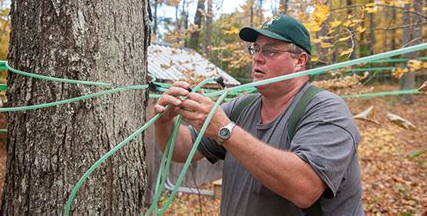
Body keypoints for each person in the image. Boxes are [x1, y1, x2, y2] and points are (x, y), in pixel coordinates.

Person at [154, 14, 364, 215]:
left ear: (300, 60)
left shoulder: (326, 109)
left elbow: (305, 189)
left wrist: (225, 131)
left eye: (270, 51)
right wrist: (165, 121)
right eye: (255, 49)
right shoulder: (242, 107)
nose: (257, 58)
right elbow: (182, 149)